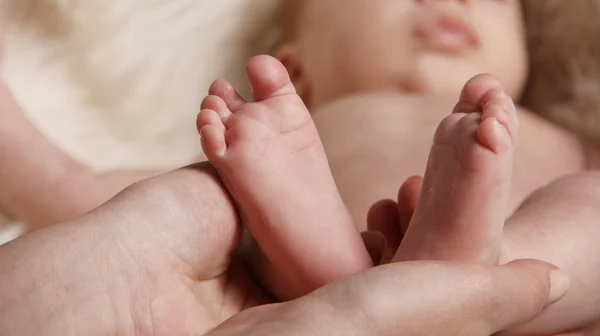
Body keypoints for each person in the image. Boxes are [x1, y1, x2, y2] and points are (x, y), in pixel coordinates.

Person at [195, 0, 600, 334]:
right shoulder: (290, 127)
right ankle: (327, 259)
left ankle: (492, 262)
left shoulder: (551, 133)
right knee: (228, 218)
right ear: (297, 70)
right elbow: (155, 214)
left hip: (526, 298)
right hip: (313, 314)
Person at [0, 162, 571, 336]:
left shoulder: (565, 134)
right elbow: (75, 188)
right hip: (292, 298)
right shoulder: (320, 111)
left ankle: (475, 261)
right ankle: (325, 253)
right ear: (300, 65)